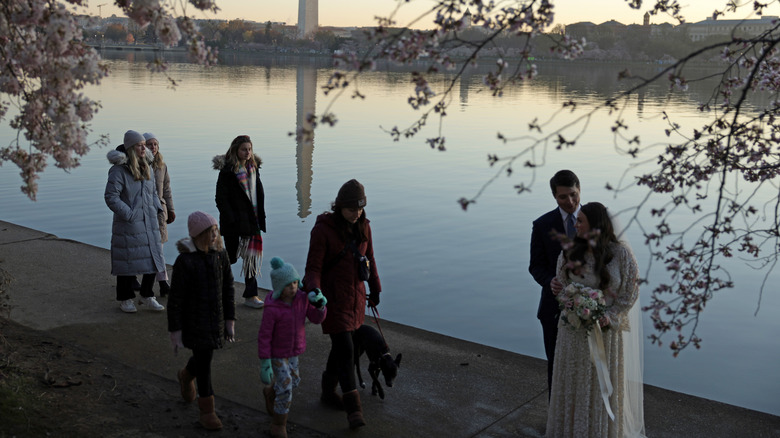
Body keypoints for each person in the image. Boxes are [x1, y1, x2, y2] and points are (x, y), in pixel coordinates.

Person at [546, 202, 645, 437]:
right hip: (573, 333)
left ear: (596, 225)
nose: (575, 224)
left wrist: (608, 316)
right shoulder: (569, 251)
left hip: (606, 334)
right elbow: (561, 285)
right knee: (574, 383)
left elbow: (630, 292)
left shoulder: (621, 255)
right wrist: (564, 297)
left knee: (601, 386)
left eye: (580, 220)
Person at [303, 179, 381, 430]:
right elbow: (313, 268)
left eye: (360, 209)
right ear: (339, 207)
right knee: (346, 348)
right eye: (351, 209)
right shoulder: (323, 230)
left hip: (356, 298)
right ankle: (354, 410)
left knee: (346, 348)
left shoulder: (364, 227)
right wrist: (314, 290)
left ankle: (328, 393)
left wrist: (376, 288)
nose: (356, 213)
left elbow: (370, 259)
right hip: (333, 301)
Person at [167, 211, 236, 431]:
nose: (215, 235)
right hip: (194, 322)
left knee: (204, 358)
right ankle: (207, 411)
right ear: (198, 235)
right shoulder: (185, 261)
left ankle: (186, 375)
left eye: (216, 230)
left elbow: (228, 288)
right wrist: (176, 330)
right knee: (205, 362)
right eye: (210, 232)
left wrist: (229, 320)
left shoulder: (220, 255)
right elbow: (176, 299)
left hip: (214, 320)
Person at [258, 257, 327, 438]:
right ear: (280, 287)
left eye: (296, 283)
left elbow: (315, 318)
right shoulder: (272, 308)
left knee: (294, 381)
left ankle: (270, 393)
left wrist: (320, 306)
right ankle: (279, 424)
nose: (294, 288)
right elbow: (264, 335)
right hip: (277, 354)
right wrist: (265, 362)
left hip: (294, 351)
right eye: (289, 285)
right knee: (287, 388)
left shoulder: (302, 300)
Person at [529, 169, 581, 396]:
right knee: (556, 363)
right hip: (552, 307)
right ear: (554, 196)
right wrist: (549, 280)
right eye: (563, 197)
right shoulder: (542, 225)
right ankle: (556, 419)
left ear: (579, 190)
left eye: (573, 195)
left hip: (591, 306)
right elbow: (535, 266)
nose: (569, 201)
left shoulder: (597, 220)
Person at [104, 130, 166, 313]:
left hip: (149, 220)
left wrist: (157, 208)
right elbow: (111, 196)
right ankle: (125, 299)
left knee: (153, 258)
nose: (144, 148)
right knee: (128, 260)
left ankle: (148, 295)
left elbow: (153, 192)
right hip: (129, 222)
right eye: (140, 145)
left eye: (144, 145)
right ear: (132, 147)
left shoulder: (147, 166)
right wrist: (129, 214)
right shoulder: (119, 170)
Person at [214, 135, 266, 308]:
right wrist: (231, 219)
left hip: (252, 220)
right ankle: (217, 291)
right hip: (234, 224)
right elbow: (220, 198)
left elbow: (257, 193)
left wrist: (261, 216)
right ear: (235, 150)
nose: (248, 152)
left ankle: (251, 296)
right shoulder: (227, 171)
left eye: (250, 149)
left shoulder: (253, 168)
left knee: (251, 258)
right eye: (244, 149)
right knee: (230, 258)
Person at [143, 132, 175, 297]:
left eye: (155, 144)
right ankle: (160, 282)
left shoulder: (162, 166)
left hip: (160, 211)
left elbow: (167, 189)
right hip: (144, 211)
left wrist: (171, 209)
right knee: (148, 250)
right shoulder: (139, 164)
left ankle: (162, 282)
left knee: (158, 248)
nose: (153, 147)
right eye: (149, 144)